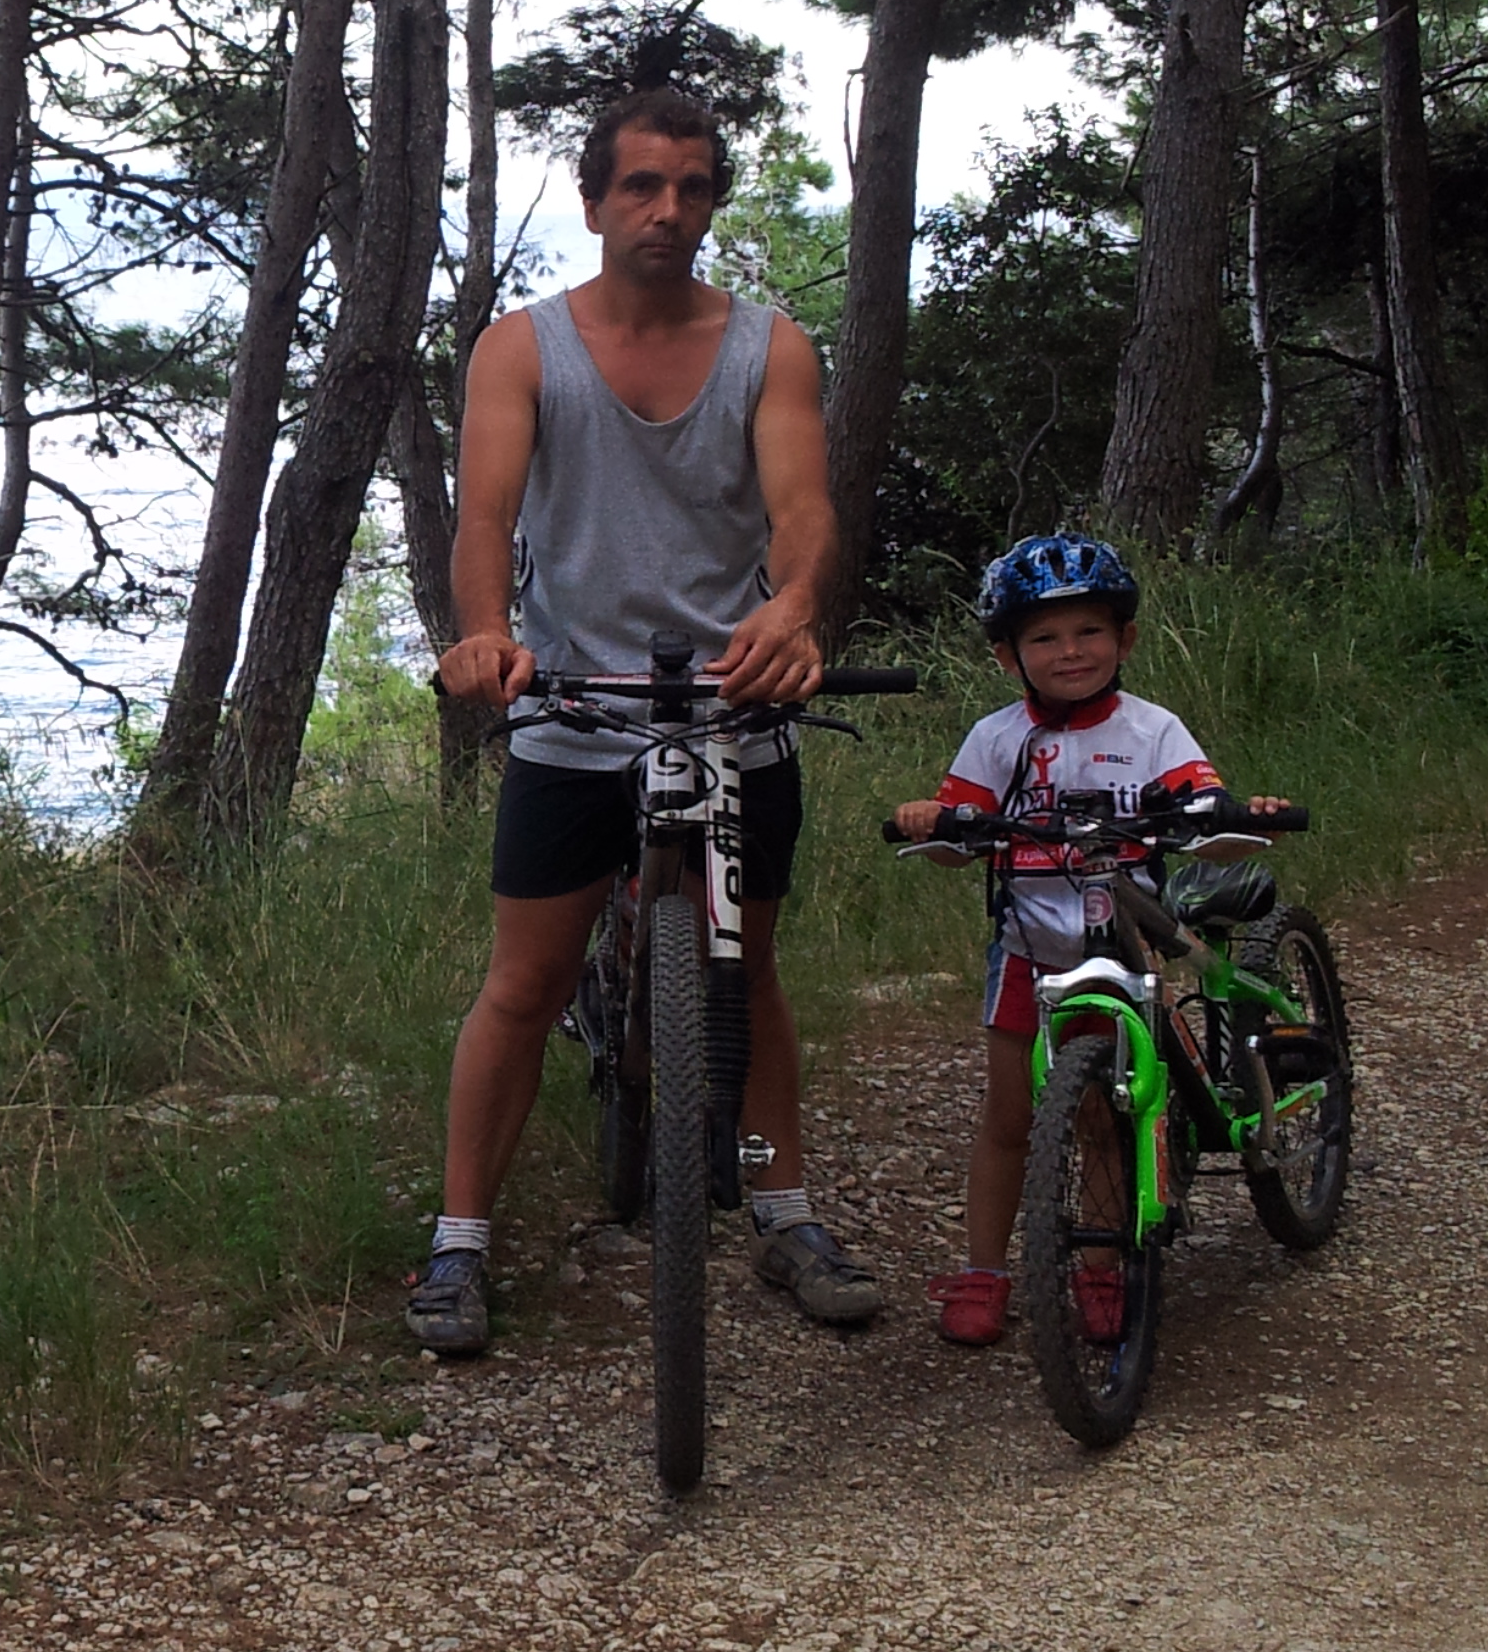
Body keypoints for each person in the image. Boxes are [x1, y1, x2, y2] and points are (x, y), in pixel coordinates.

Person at [413, 86, 877, 1358]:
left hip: (735, 704)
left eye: (692, 188)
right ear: (593, 202)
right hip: (575, 706)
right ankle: (459, 1241)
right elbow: (485, 519)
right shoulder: (522, 349)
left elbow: (804, 510)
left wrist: (793, 608)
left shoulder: (770, 347)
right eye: (641, 186)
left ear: (712, 202)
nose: (668, 210)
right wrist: (483, 634)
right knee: (525, 981)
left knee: (748, 974)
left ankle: (784, 1212)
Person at [893, 533, 1286, 1347]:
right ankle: (984, 1271)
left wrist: (1237, 816)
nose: (1069, 651)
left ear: (1125, 639)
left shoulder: (1152, 730)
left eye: (1089, 632)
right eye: (1044, 638)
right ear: (1008, 656)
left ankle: (1101, 1264)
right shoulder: (997, 738)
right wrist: (932, 822)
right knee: (1008, 1116)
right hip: (1028, 951)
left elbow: (1200, 803)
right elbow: (957, 828)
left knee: (1107, 1116)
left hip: (1122, 952)